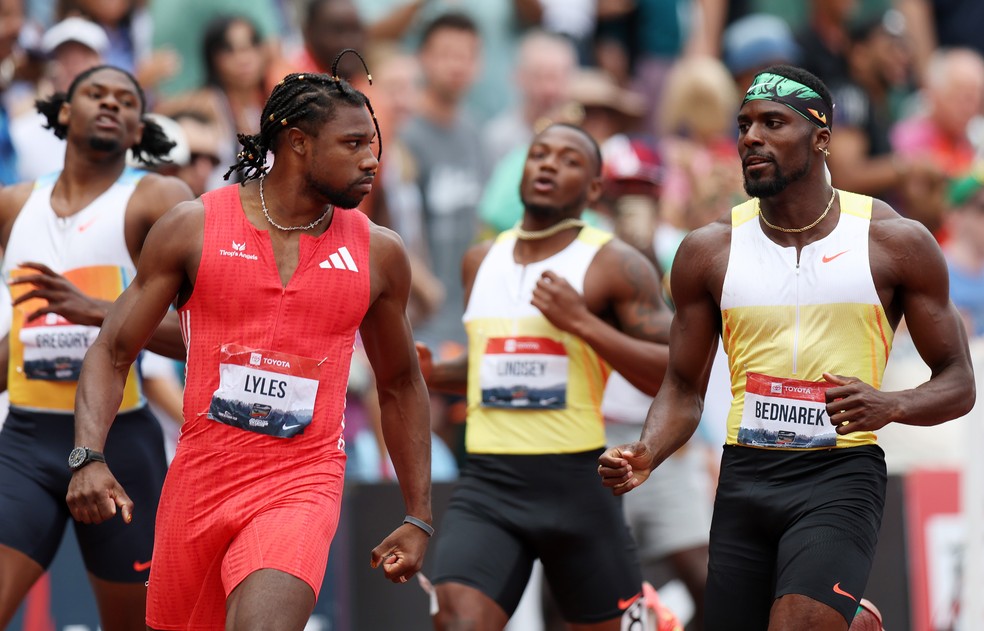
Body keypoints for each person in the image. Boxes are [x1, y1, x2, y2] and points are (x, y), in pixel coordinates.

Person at [599, 64, 976, 631]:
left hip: (840, 474)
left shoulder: (891, 241)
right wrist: (648, 451)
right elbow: (681, 387)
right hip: (746, 476)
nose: (751, 137)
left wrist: (890, 404)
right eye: (744, 125)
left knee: (797, 623)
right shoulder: (708, 251)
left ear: (821, 138)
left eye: (773, 123)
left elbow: (959, 382)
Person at [66, 62, 434, 629]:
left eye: (372, 144)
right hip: (199, 481)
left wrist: (419, 515)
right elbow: (113, 349)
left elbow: (400, 383)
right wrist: (88, 455)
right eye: (354, 143)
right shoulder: (192, 227)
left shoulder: (379, 253)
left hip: (303, 482)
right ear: (298, 142)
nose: (371, 160)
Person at [420, 122, 671, 630]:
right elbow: (495, 366)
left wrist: (581, 322)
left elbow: (675, 374)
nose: (549, 164)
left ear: (595, 188)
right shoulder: (480, 260)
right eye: (540, 154)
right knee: (457, 621)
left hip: (577, 484)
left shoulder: (613, 263)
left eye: (569, 159)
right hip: (489, 483)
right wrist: (434, 372)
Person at [0, 64, 193, 631]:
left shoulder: (158, 199)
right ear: (65, 111)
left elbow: (204, 336)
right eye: (95, 93)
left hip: (121, 445)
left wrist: (99, 311)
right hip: (26, 440)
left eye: (126, 100)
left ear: (138, 129)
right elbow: (22, 343)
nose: (111, 104)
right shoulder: (13, 205)